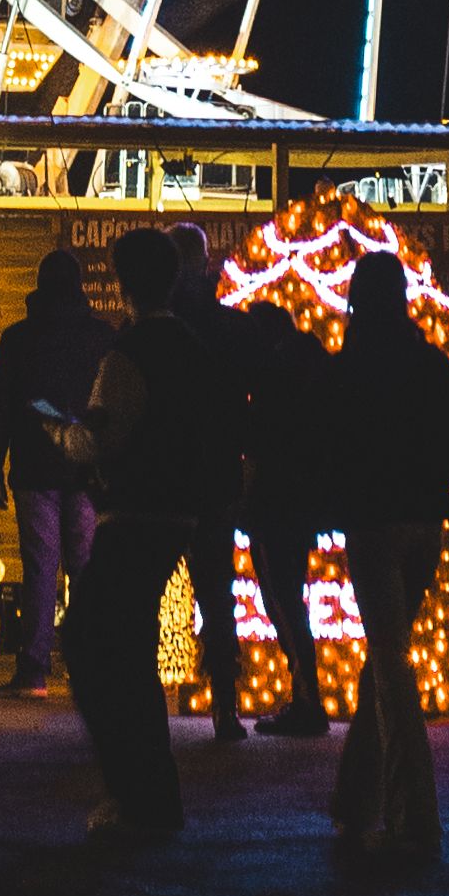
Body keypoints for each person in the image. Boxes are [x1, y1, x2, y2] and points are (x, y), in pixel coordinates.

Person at [57, 230, 234, 841]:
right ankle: (148, 793)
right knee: (127, 650)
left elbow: (101, 435)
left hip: (131, 514)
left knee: (89, 642)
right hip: (182, 511)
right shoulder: (192, 346)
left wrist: (65, 436)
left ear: (125, 285)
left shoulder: (128, 353)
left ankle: (134, 790)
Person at [320, 250, 449, 875]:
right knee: (386, 660)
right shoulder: (428, 363)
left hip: (372, 525)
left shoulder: (352, 367)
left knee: (389, 666)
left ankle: (414, 819)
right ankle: (355, 800)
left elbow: (327, 449)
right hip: (425, 522)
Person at [0, 245, 102, 697]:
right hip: (87, 471)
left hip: (34, 468)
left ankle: (33, 669)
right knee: (86, 568)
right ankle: (89, 665)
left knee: (40, 569)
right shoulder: (100, 338)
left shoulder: (18, 339)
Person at [235, 288, 334, 736]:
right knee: (290, 601)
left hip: (274, 504)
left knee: (282, 602)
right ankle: (306, 697)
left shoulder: (271, 379)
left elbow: (255, 448)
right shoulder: (311, 368)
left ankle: (307, 702)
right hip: (306, 501)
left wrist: (245, 501)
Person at [163, 222, 247, 735]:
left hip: (165, 477)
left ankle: (143, 707)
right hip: (217, 475)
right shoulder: (228, 328)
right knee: (218, 595)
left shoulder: (158, 328)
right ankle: (225, 706)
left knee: (147, 591)